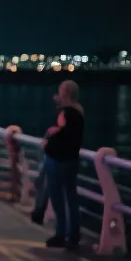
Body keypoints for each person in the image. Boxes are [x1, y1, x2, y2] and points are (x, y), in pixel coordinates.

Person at [42, 80, 85, 251]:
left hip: (58, 160)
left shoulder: (65, 113)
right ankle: (73, 235)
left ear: (65, 94)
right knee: (71, 198)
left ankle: (61, 233)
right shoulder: (79, 111)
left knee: (58, 199)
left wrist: (48, 142)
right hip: (72, 160)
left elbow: (61, 135)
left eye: (60, 92)